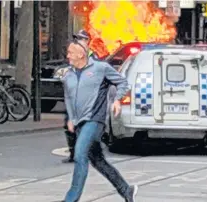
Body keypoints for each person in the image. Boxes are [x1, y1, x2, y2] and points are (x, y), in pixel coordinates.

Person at [61, 41, 137, 202]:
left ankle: (71, 198)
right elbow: (68, 97)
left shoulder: (100, 68)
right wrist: (71, 118)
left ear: (81, 54)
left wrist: (117, 99)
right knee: (97, 160)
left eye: (70, 52)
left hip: (95, 120)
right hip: (80, 122)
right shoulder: (68, 75)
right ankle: (126, 190)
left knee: (80, 154)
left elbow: (122, 83)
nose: (67, 55)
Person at [62, 30, 98, 163]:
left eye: (81, 39)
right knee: (69, 124)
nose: (78, 41)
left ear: (87, 41)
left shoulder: (93, 58)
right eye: (76, 39)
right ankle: (73, 153)